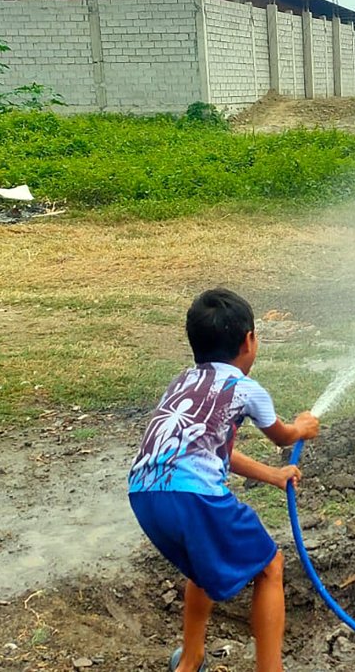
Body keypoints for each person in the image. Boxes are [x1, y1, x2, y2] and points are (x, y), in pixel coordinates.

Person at [128, 288, 320, 672]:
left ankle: (191, 660)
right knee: (270, 566)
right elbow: (282, 436)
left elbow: (215, 450)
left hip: (144, 493)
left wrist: (273, 476)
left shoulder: (183, 381)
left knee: (201, 570)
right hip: (194, 499)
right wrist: (301, 427)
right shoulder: (246, 389)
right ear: (249, 340)